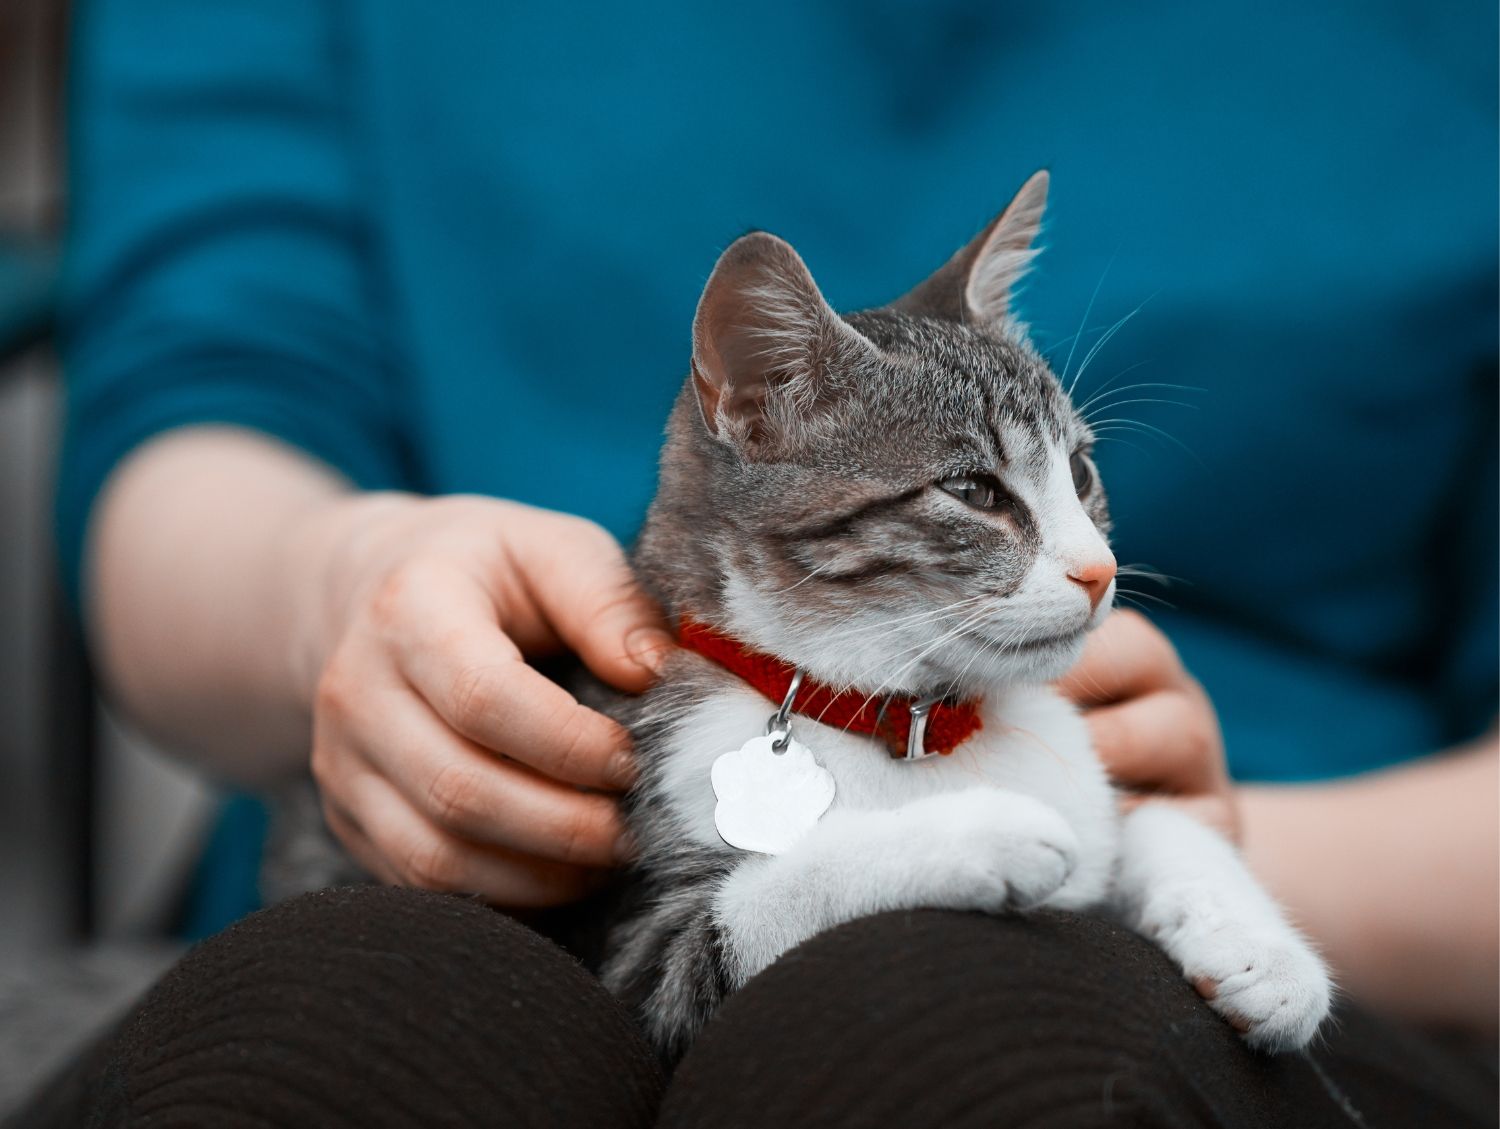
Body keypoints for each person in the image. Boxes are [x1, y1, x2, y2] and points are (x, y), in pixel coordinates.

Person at [29, 0, 1495, 1125]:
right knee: (360, 1031)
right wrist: (329, 590)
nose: (1097, 554)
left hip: (1230, 864)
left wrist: (1151, 850)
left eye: (1086, 480)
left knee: (963, 1046)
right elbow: (207, 382)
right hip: (472, 830)